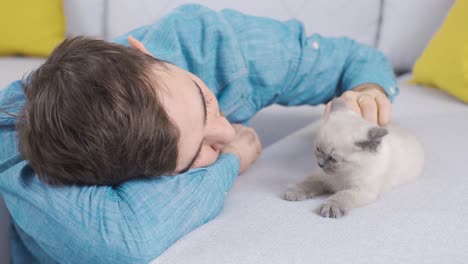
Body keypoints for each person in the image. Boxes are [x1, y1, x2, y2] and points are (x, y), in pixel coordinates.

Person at [0, 4, 398, 263]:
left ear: (144, 53)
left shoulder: (209, 42)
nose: (227, 129)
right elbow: (121, 241)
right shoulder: (27, 155)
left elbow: (356, 59)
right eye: (203, 149)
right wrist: (231, 161)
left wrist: (368, 92)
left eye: (206, 101)